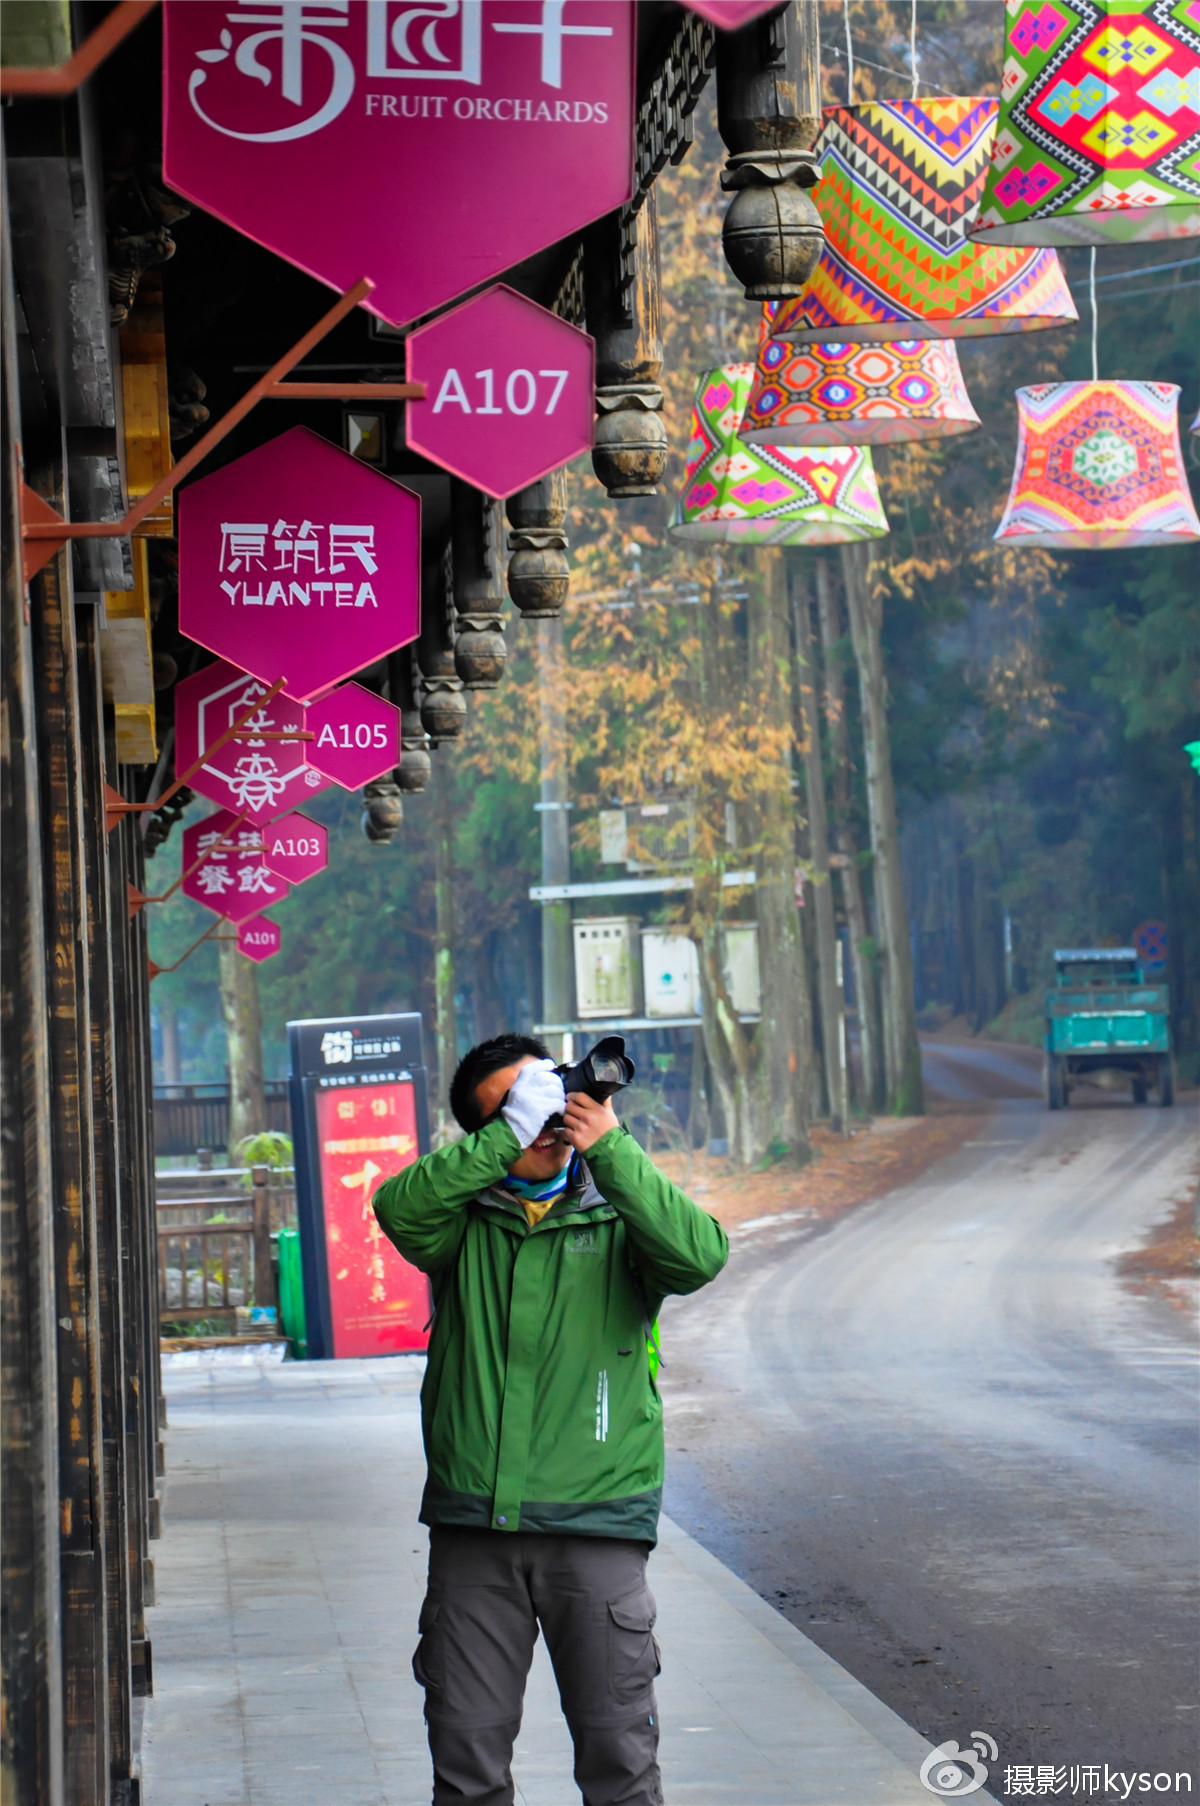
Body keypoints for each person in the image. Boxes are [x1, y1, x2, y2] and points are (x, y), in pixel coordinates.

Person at [373, 1032, 729, 1806]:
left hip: (596, 1532)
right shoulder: (458, 1223)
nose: (543, 1122)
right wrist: (504, 1138)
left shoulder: (620, 1214)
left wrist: (614, 1148)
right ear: (484, 1131)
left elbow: (700, 1257)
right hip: (475, 1539)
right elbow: (393, 1206)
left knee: (620, 1769)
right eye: (513, 1108)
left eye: (545, 1095)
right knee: (466, 1768)